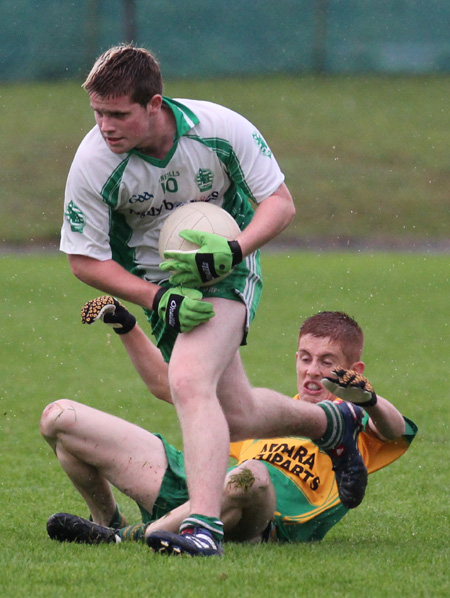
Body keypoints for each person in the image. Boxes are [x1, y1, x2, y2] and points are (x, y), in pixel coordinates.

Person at [60, 44, 367, 555]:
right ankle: (333, 423)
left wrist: (232, 250)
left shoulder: (219, 129)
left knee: (186, 380)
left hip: (229, 269)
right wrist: (157, 298)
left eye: (118, 113)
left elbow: (280, 204)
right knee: (238, 412)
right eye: (97, 113)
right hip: (164, 291)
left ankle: (204, 526)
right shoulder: (94, 163)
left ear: (154, 104)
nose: (104, 126)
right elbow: (83, 261)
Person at [42, 299, 417, 554]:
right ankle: (108, 520)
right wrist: (126, 325)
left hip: (260, 519)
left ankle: (125, 538)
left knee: (250, 474)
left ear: (355, 370)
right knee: (59, 418)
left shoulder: (353, 421)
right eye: (305, 358)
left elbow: (395, 429)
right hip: (200, 493)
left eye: (327, 361)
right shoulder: (261, 411)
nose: (313, 370)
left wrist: (366, 399)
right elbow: (167, 383)